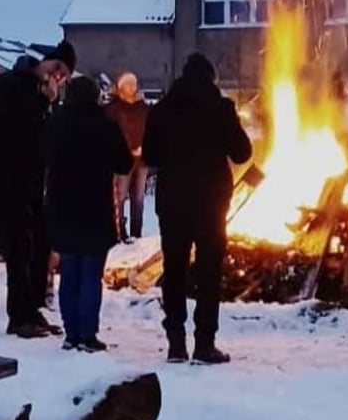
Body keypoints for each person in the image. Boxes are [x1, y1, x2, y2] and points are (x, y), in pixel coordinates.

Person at [143, 52, 252, 365]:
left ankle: (176, 344)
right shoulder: (221, 109)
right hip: (211, 203)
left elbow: (150, 155)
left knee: (174, 273)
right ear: (210, 78)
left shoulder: (162, 110)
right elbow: (243, 153)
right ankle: (205, 344)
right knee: (208, 274)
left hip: (172, 203)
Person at [0, 40, 76, 339]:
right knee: (19, 247)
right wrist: (43, 103)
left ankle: (32, 307)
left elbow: (45, 137)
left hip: (35, 183)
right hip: (9, 180)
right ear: (47, 62)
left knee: (39, 245)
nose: (59, 76)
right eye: (58, 68)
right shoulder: (10, 84)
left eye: (65, 75)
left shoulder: (44, 97)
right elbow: (13, 127)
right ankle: (18, 314)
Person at [47, 76, 133, 352]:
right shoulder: (105, 125)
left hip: (63, 207)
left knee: (69, 272)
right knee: (90, 275)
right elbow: (124, 162)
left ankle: (71, 333)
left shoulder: (56, 124)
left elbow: (42, 156)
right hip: (95, 208)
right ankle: (87, 333)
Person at [106, 71, 149, 242]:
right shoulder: (114, 109)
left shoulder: (143, 108)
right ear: (121, 87)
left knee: (138, 198)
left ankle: (136, 233)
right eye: (128, 84)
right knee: (120, 197)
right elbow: (111, 134)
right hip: (122, 159)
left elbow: (151, 131)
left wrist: (145, 148)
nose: (132, 87)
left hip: (142, 159)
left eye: (134, 83)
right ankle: (120, 233)